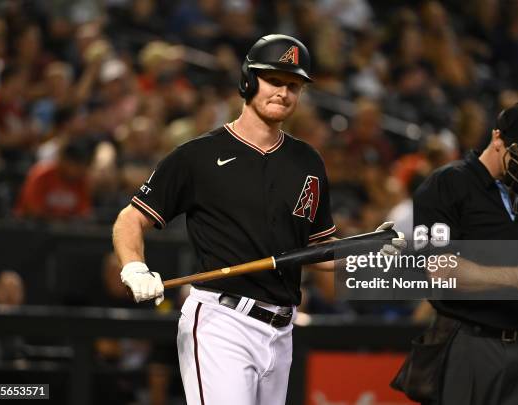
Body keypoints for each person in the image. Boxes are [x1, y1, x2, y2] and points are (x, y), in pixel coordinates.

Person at [112, 34, 405, 405]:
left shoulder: (308, 162)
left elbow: (316, 251)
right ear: (248, 81)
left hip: (282, 330)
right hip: (223, 321)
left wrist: (367, 253)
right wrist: (134, 267)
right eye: (275, 81)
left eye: (293, 85)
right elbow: (131, 218)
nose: (284, 93)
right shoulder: (198, 156)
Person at [392, 102, 518, 405]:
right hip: (467, 342)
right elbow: (439, 269)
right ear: (498, 138)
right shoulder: (449, 183)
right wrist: (515, 276)